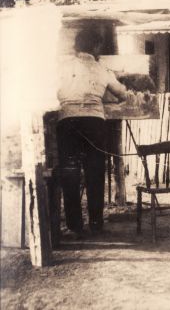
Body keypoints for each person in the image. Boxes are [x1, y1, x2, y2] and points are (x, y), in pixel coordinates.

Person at [56, 26, 129, 235]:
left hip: (67, 122)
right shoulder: (101, 69)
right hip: (94, 123)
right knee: (95, 172)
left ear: (76, 46)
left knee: (70, 173)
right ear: (95, 46)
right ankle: (96, 223)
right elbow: (122, 94)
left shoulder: (62, 67)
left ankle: (74, 225)